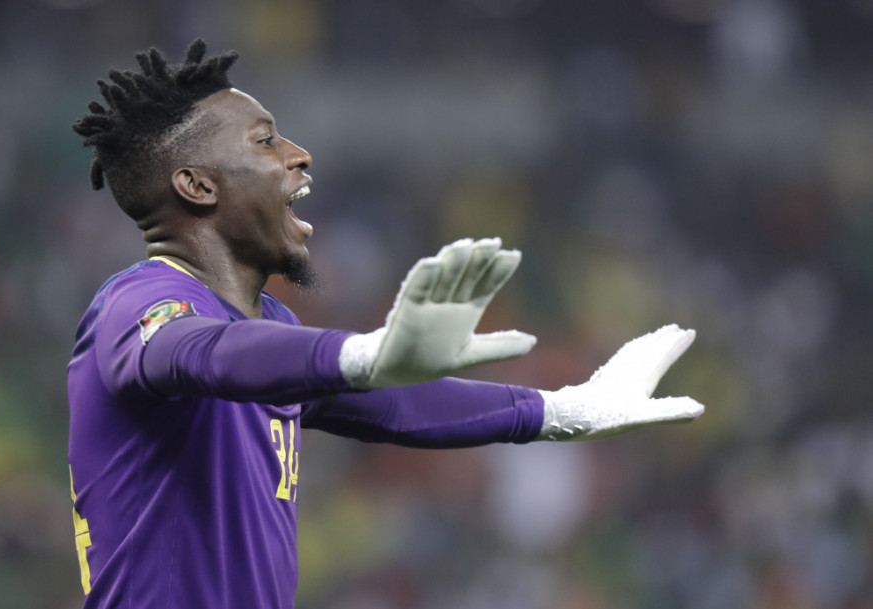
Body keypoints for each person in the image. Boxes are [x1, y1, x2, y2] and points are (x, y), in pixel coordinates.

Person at [67, 39, 704, 609]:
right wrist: (360, 356)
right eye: (265, 141)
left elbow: (398, 404)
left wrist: (561, 410)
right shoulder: (138, 301)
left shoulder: (273, 325)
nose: (298, 154)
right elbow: (201, 353)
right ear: (197, 186)